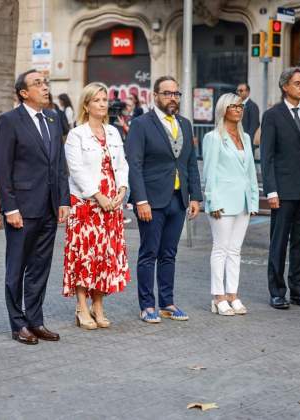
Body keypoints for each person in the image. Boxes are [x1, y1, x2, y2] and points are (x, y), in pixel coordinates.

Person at [0, 69, 70, 345]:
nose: (45, 87)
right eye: (37, 84)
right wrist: (9, 207)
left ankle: (35, 320)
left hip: (49, 207)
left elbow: (59, 164)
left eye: (45, 83)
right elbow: (2, 169)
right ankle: (18, 324)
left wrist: (64, 200)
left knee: (40, 268)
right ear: (24, 93)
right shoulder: (9, 121)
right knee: (17, 267)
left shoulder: (53, 118)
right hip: (22, 209)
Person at [125, 75, 202, 323]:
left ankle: (167, 302)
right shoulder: (141, 124)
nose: (172, 98)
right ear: (155, 96)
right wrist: (140, 201)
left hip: (178, 200)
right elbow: (134, 165)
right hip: (151, 200)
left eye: (176, 94)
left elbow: (190, 162)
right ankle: (147, 305)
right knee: (149, 252)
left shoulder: (185, 124)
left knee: (169, 253)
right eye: (167, 93)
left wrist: (195, 197)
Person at [63, 82, 130, 329]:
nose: (103, 104)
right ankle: (81, 306)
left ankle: (98, 306)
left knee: (105, 255)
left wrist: (122, 189)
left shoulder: (113, 132)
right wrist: (97, 195)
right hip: (86, 204)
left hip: (112, 203)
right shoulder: (76, 135)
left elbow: (122, 164)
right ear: (87, 105)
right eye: (98, 100)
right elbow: (76, 170)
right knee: (85, 255)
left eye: (105, 100)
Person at [260, 67, 300, 310]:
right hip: (284, 191)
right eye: (297, 83)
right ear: (285, 86)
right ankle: (277, 292)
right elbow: (267, 157)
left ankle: (299, 290)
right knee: (279, 242)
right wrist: (272, 190)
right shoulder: (272, 116)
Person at [202, 93, 259, 316]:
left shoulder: (245, 136)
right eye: (233, 106)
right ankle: (218, 297)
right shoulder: (213, 137)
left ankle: (232, 294)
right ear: (223, 109)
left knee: (235, 250)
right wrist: (212, 200)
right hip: (222, 201)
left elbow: (251, 171)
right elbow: (209, 172)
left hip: (243, 201)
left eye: (240, 106)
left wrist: (253, 199)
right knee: (221, 248)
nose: (238, 109)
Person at [236, 83, 260, 153]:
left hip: (247, 142)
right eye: (237, 91)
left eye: (241, 91)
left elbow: (254, 126)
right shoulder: (237, 104)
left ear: (248, 92)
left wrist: (249, 143)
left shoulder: (252, 106)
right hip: (237, 140)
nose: (238, 93)